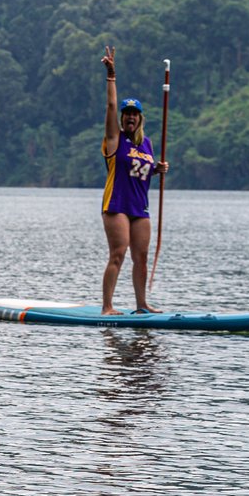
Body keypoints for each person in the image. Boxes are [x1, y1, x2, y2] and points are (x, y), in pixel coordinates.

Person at [98, 45, 166, 314]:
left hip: (140, 207)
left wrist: (156, 170)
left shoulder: (147, 144)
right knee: (118, 254)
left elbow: (141, 171)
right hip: (117, 205)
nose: (129, 117)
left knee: (141, 257)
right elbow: (111, 105)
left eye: (134, 114)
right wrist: (111, 76)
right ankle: (107, 307)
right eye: (126, 114)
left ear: (139, 119)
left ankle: (141, 305)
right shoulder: (115, 139)